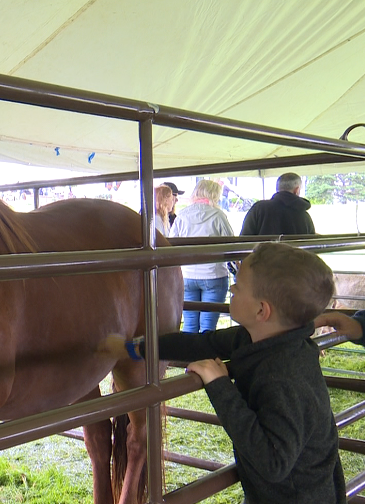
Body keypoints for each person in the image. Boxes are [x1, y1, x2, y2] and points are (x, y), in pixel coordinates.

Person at [100, 242, 345, 504]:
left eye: (238, 286)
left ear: (261, 310)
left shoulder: (286, 376)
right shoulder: (258, 338)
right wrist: (136, 348)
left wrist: (219, 385)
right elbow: (202, 344)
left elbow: (272, 462)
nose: (231, 289)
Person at [169, 179, 234, 333]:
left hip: (186, 275)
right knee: (208, 326)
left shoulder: (182, 215)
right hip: (214, 274)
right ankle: (206, 356)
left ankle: (188, 357)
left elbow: (171, 244)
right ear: (215, 195)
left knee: (189, 324)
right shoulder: (218, 215)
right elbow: (231, 243)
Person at [240, 172, 315, 236]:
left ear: (277, 189)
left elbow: (243, 240)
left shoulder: (259, 208)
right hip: (293, 253)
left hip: (264, 253)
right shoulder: (305, 217)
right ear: (297, 190)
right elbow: (310, 246)